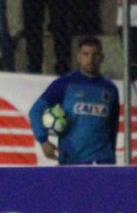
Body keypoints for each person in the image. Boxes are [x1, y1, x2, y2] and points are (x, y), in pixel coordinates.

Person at [27, 37, 119, 165]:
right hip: (72, 159)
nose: (90, 59)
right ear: (78, 57)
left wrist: (111, 160)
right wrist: (43, 141)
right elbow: (36, 110)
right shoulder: (65, 83)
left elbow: (112, 128)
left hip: (102, 161)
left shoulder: (110, 89)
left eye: (95, 54)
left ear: (101, 57)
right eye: (86, 54)